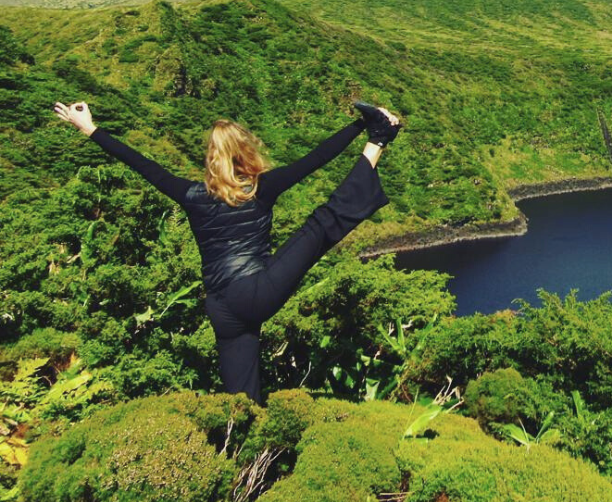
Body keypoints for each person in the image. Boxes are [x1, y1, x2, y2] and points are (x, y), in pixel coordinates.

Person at [53, 99, 401, 404]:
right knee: (321, 224)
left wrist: (88, 128)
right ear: (244, 152)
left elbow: (141, 164)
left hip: (221, 308)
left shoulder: (189, 195)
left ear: (211, 158)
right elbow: (316, 158)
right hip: (258, 290)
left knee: (240, 400)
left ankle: (243, 460)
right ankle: (379, 139)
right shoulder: (261, 189)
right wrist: (361, 126)